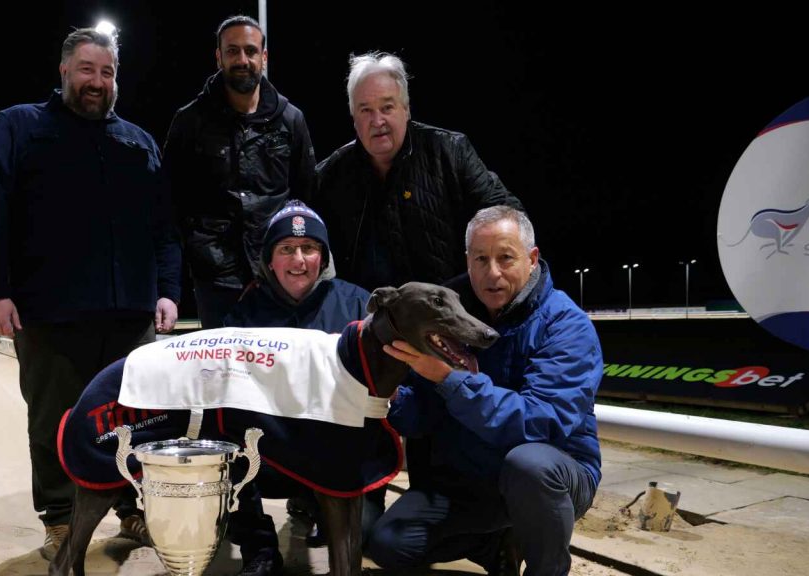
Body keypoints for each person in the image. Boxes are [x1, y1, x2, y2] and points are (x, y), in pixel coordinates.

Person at [0, 26, 181, 559]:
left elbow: (163, 228)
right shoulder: (19, 127)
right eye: (87, 70)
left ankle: (131, 511)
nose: (97, 81)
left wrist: (168, 291)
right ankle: (60, 519)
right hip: (49, 312)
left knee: (137, 419)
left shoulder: (138, 141)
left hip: (130, 310)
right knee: (55, 421)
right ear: (64, 71)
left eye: (107, 73)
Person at [368, 206, 602, 576]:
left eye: (506, 257)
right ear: (468, 260)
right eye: (480, 259)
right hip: (471, 481)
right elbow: (420, 418)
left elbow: (541, 423)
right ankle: (497, 545)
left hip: (552, 473)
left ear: (532, 258)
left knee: (529, 466)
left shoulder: (566, 325)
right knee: (388, 543)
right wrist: (392, 396)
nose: (491, 273)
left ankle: (548, 568)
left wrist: (449, 380)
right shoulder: (447, 310)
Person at [222, 201, 371, 575]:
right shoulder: (246, 309)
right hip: (268, 448)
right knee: (221, 444)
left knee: (367, 531)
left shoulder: (357, 302)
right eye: (286, 249)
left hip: (338, 448)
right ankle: (260, 549)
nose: (299, 259)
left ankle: (319, 508)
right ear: (269, 260)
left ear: (324, 257)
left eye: (310, 248)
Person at [313, 51, 523, 292]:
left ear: (407, 109)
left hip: (450, 309)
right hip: (370, 316)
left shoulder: (451, 152)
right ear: (353, 118)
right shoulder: (330, 176)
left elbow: (510, 217)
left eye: (387, 107)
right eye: (365, 110)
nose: (377, 120)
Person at [164, 15, 316, 328]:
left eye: (250, 51)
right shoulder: (189, 122)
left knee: (278, 370)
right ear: (218, 57)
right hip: (215, 280)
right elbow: (170, 204)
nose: (242, 60)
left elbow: (306, 198)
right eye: (232, 51)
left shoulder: (291, 120)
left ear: (264, 56)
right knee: (222, 373)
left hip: (277, 274)